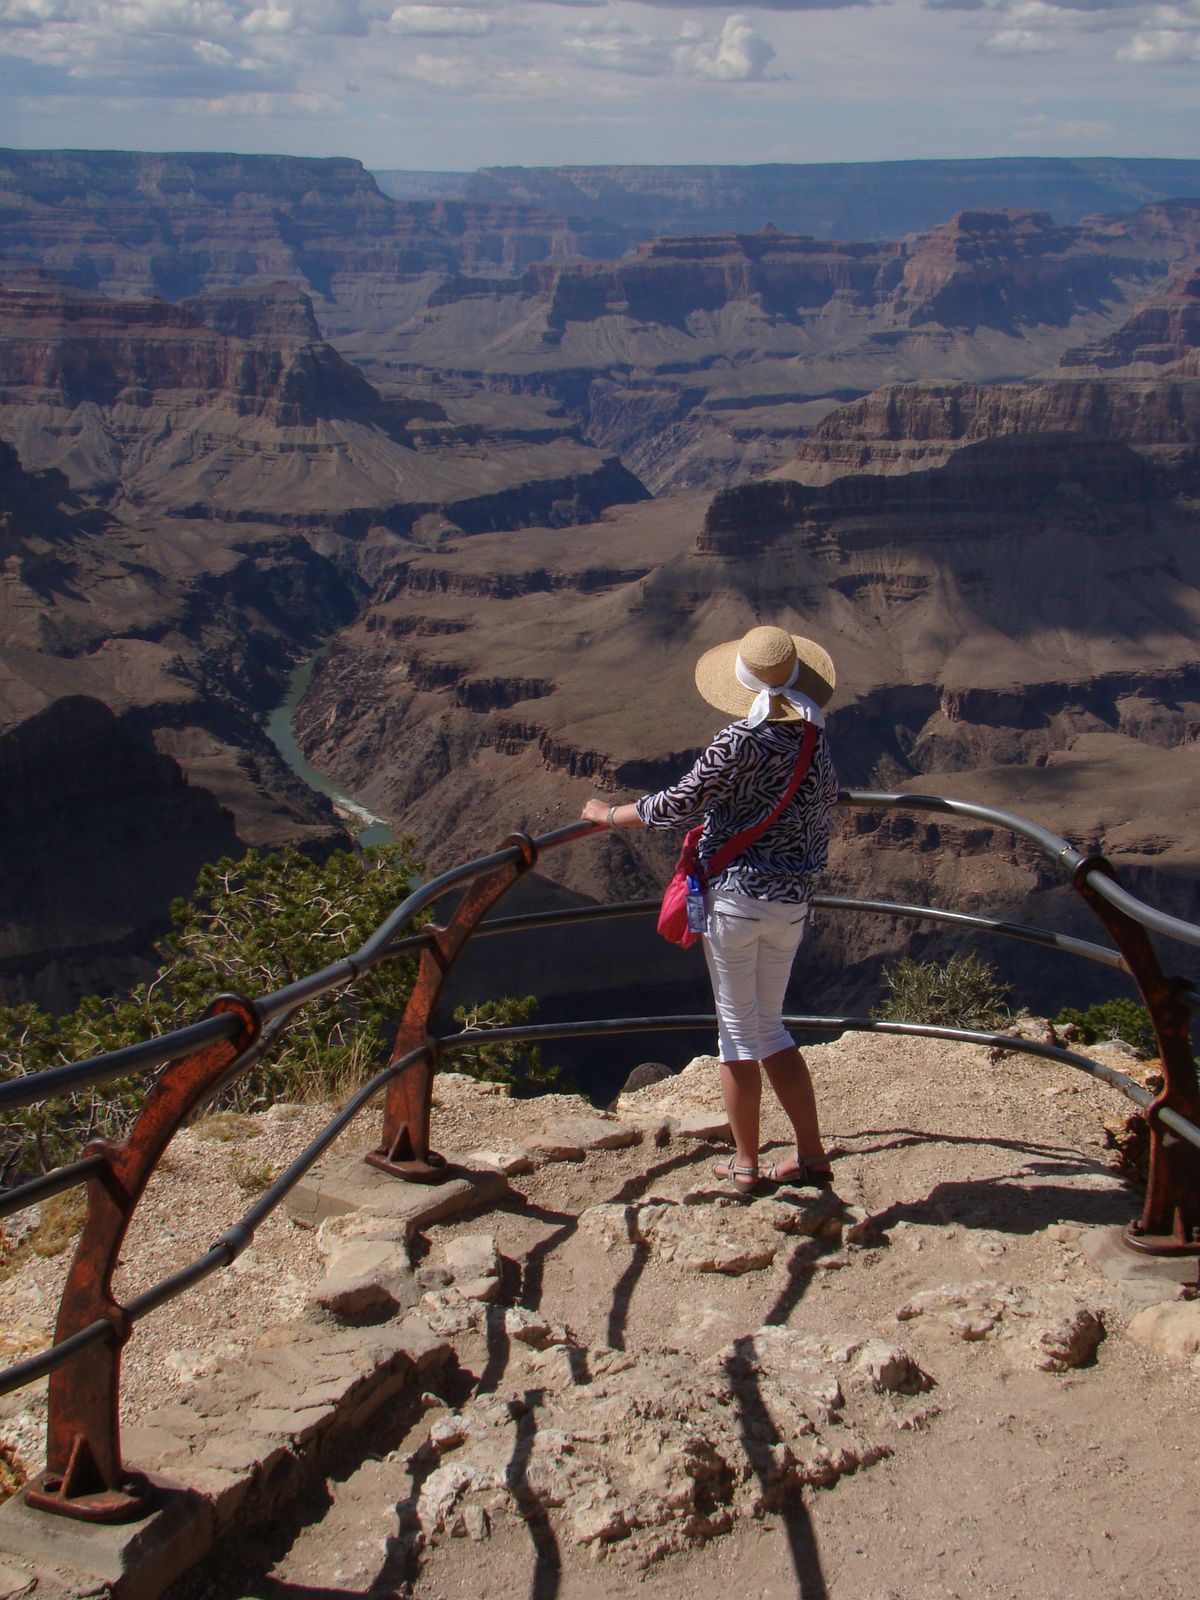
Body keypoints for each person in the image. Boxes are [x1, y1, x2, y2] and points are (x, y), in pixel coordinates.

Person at [581, 624, 839, 1192]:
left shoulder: (739, 739)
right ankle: (811, 1155)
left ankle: (745, 1166)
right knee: (771, 1027)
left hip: (738, 902)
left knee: (738, 1037)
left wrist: (609, 815)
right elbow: (820, 805)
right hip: (793, 903)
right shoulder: (814, 736)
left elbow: (678, 804)